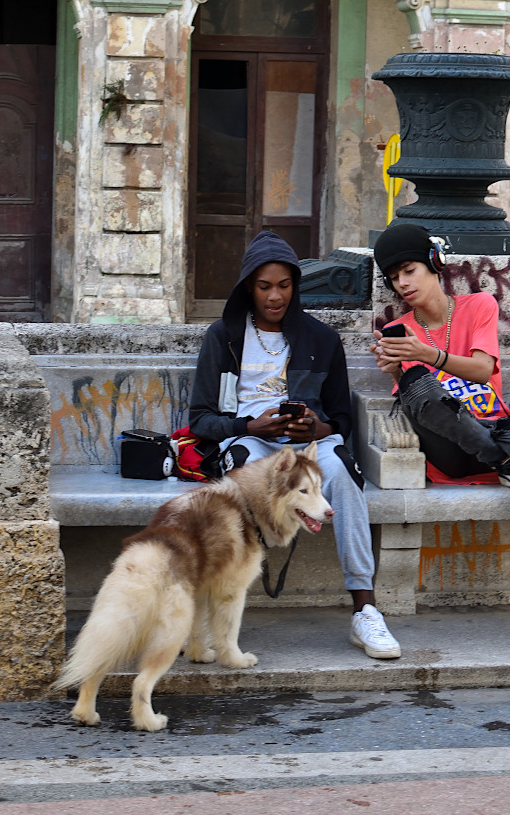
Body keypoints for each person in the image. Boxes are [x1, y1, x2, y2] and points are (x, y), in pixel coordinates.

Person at [189, 230, 402, 659]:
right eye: (265, 286)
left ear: (295, 287)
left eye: (284, 286)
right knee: (243, 483)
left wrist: (316, 429)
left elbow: (341, 419)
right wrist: (251, 425)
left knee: (342, 477)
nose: (274, 296)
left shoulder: (320, 340)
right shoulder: (224, 337)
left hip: (308, 449)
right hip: (250, 441)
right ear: (249, 286)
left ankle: (365, 609)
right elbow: (200, 419)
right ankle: (217, 608)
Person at [369, 223, 510, 626]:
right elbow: (421, 406)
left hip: (493, 426)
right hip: (450, 451)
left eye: (409, 270)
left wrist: (428, 353)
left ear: (434, 264)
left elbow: (482, 369)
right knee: (417, 385)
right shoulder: (402, 331)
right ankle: (504, 463)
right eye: (394, 278)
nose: (402, 283)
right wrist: (395, 370)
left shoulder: (479, 305)